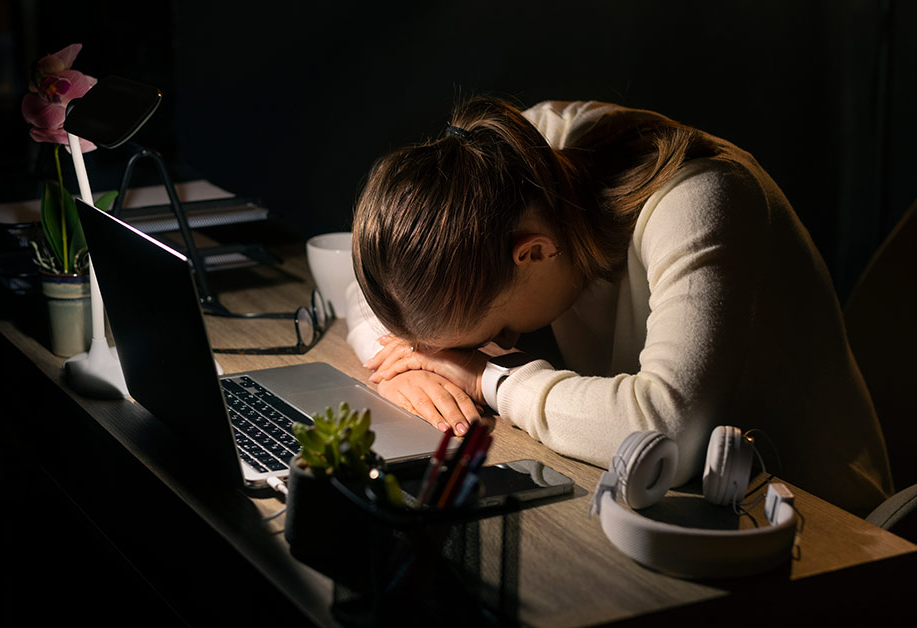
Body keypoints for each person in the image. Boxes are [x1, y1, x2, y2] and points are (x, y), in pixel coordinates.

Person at [345, 97, 892, 516]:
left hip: (808, 516)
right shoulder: (510, 164)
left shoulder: (701, 198)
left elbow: (665, 431)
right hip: (672, 497)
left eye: (501, 329)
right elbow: (373, 279)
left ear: (533, 252)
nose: (502, 342)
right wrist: (405, 366)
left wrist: (484, 376)